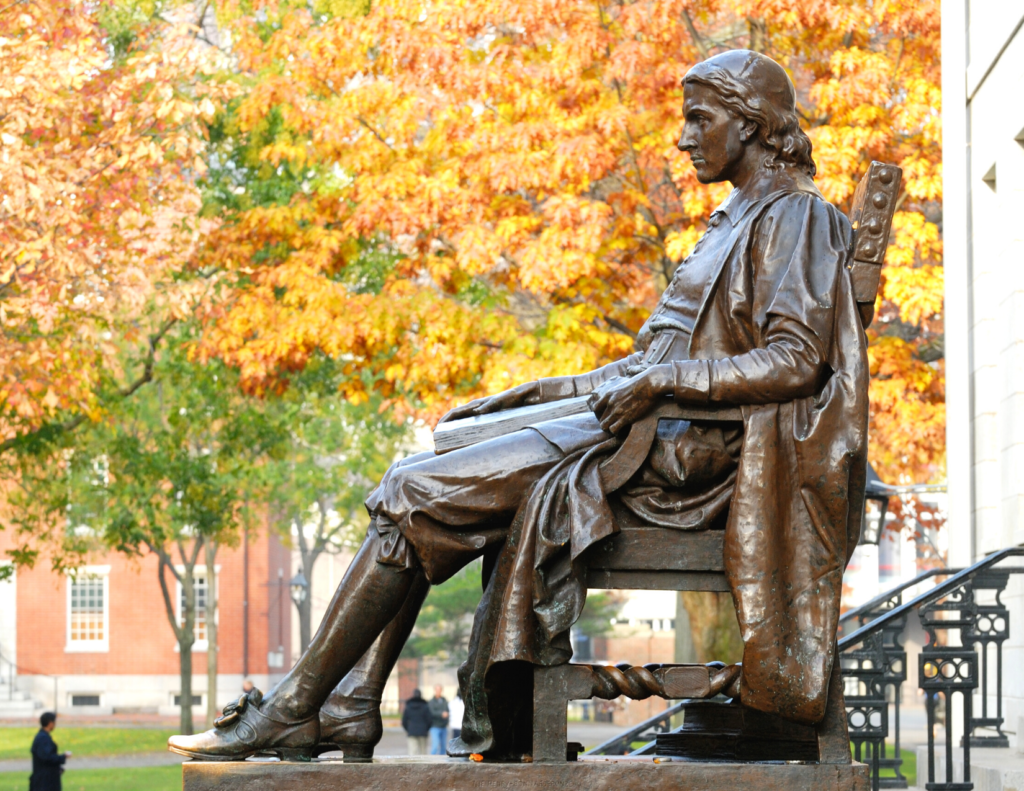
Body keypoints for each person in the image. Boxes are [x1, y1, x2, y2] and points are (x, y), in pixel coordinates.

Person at [168, 49, 867, 762]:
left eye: (699, 119)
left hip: (684, 461)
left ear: (750, 124)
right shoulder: (734, 218)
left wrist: (661, 385)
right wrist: (535, 393)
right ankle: (346, 702)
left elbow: (796, 360)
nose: (683, 138)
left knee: (411, 489)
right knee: (422, 464)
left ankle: (298, 706)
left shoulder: (796, 218)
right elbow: (648, 362)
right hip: (649, 432)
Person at [30, 712, 69, 791]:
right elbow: (47, 757)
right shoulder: (43, 738)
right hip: (44, 782)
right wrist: (62, 757)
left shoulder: (43, 737)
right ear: (50, 723)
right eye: (54, 722)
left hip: (45, 779)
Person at [400, 689, 433, 756]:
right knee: (423, 752)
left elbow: (404, 721)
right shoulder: (425, 706)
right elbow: (430, 720)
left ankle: (412, 766)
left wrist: (408, 729)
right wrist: (426, 729)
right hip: (423, 731)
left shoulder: (408, 706)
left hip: (412, 731)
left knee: (412, 752)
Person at [427, 686, 449, 756]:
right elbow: (431, 712)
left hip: (443, 726)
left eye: (439, 690)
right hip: (435, 726)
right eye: (437, 690)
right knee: (435, 745)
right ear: (435, 690)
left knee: (443, 746)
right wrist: (441, 714)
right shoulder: (431, 702)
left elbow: (447, 711)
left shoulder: (444, 700)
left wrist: (446, 720)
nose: (438, 691)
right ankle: (432, 759)